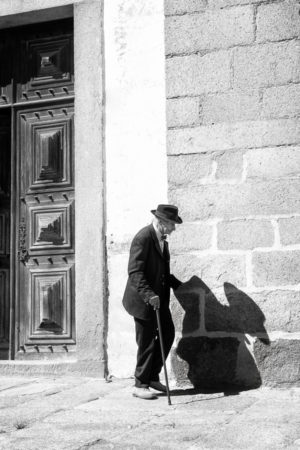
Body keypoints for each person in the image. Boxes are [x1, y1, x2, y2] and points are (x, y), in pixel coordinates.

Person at [122, 204, 182, 399]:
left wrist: (178, 284)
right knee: (146, 341)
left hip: (158, 299)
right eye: (172, 224)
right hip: (143, 300)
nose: (174, 228)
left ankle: (152, 375)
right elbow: (135, 272)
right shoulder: (143, 238)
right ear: (161, 222)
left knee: (168, 333)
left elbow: (162, 271)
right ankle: (140, 384)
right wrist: (149, 294)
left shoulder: (162, 240)